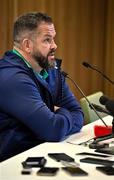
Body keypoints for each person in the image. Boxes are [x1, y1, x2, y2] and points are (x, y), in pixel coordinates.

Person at [0, 12, 84, 162]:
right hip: (12, 163)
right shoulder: (12, 78)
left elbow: (78, 113)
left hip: (42, 155)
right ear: (27, 45)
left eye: (53, 39)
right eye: (47, 40)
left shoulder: (49, 69)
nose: (55, 45)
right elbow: (53, 130)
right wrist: (60, 113)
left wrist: (58, 113)